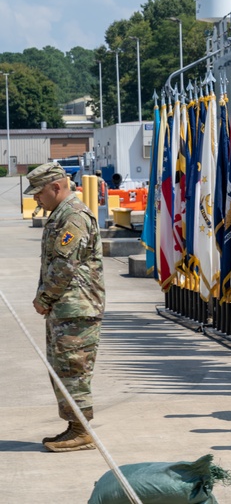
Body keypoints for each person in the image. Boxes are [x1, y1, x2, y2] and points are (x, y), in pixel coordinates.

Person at [27, 162, 106, 453]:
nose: (36, 198)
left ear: (56, 187)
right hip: (67, 307)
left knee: (73, 370)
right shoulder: (61, 214)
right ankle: (75, 426)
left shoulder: (73, 216)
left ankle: (81, 430)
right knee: (63, 368)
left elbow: (64, 265)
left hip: (76, 308)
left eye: (39, 192)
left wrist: (45, 298)